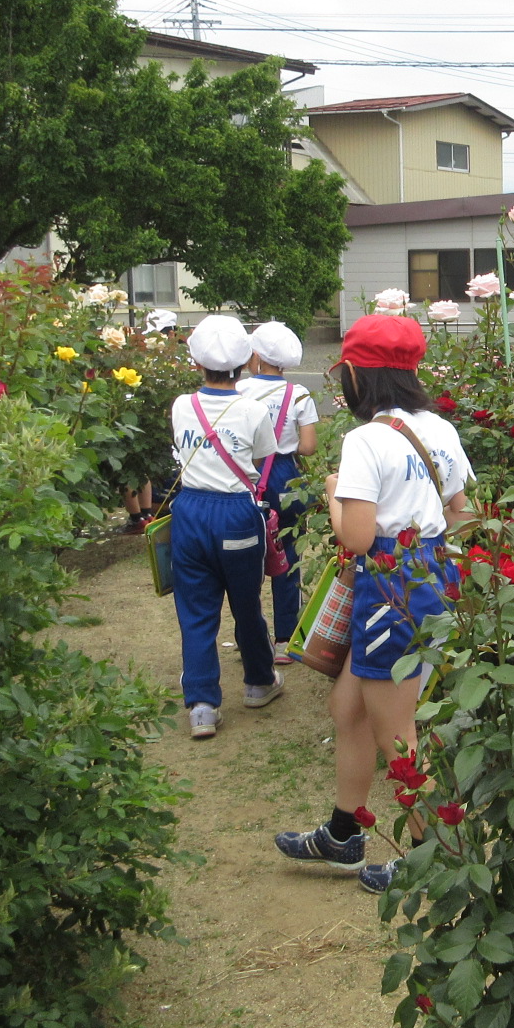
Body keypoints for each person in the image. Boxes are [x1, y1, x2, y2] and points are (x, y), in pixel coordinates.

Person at [274, 315, 472, 895]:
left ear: (358, 375)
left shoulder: (366, 440)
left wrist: (335, 494)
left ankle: (437, 857)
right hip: (430, 575)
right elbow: (460, 512)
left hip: (388, 584)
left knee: (397, 735)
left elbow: (357, 538)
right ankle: (344, 833)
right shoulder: (439, 428)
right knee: (349, 708)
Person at [168, 315, 284, 740]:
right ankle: (258, 682)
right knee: (246, 602)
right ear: (246, 361)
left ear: (196, 361)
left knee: (196, 609)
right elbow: (261, 457)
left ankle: (202, 706)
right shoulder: (253, 409)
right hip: (236, 513)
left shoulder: (182, 405)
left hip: (190, 510)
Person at [237, 321, 320, 665]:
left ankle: (251, 638)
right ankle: (286, 637)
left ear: (256, 355)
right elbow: (309, 446)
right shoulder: (298, 393)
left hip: (247, 474)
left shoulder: (240, 389)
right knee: (288, 556)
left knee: (247, 558)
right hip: (286, 478)